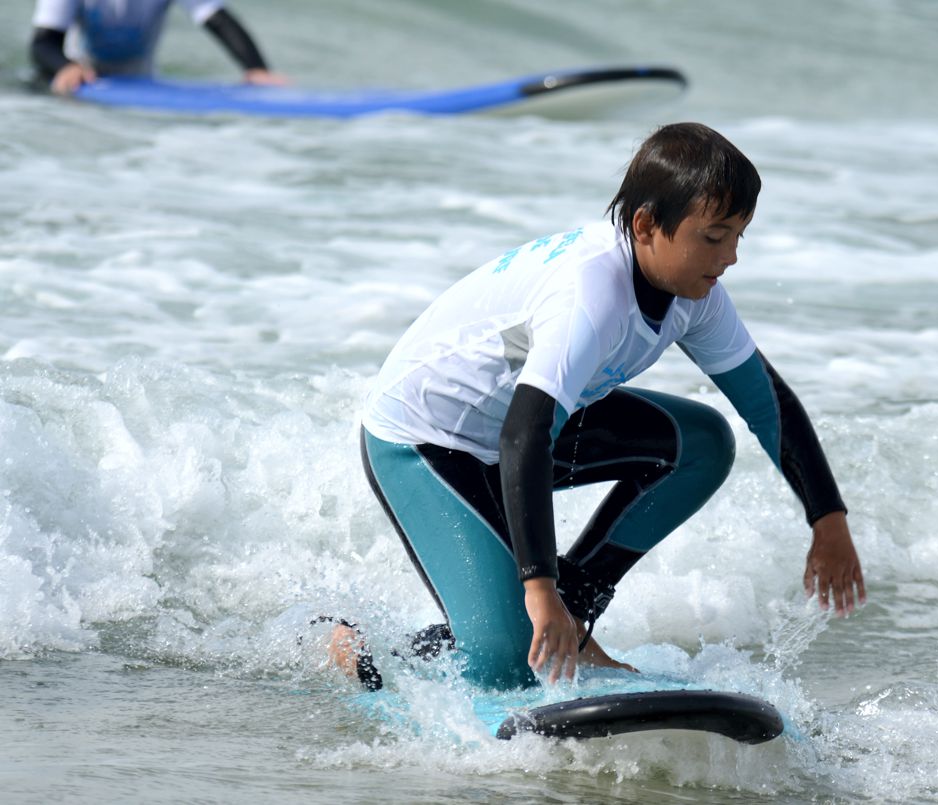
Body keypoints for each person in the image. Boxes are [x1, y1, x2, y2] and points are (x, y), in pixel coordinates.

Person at [348, 122, 866, 692]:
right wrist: (537, 588)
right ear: (646, 225)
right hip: (427, 438)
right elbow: (526, 435)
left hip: (520, 430)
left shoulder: (696, 295)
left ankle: (573, 612)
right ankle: (365, 651)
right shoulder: (591, 294)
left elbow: (768, 405)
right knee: (502, 665)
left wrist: (828, 520)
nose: (732, 257)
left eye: (740, 236)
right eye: (715, 237)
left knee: (701, 444)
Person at [28, 0, 285, 96]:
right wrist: (66, 67)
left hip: (141, 87)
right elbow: (43, 43)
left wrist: (256, 69)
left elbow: (216, 18)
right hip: (77, 89)